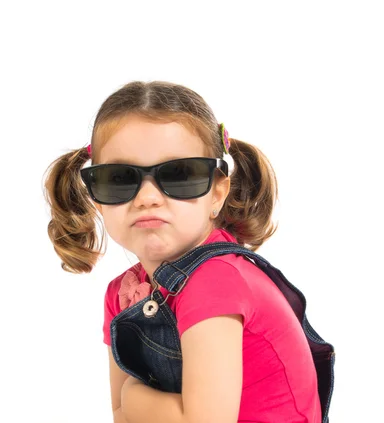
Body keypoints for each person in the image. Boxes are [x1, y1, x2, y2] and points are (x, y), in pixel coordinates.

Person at [43, 80, 322, 423]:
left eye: (179, 175)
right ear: (96, 198)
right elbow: (120, 418)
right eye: (118, 179)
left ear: (217, 193)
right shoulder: (124, 292)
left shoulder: (216, 281)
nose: (147, 198)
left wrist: (132, 397)